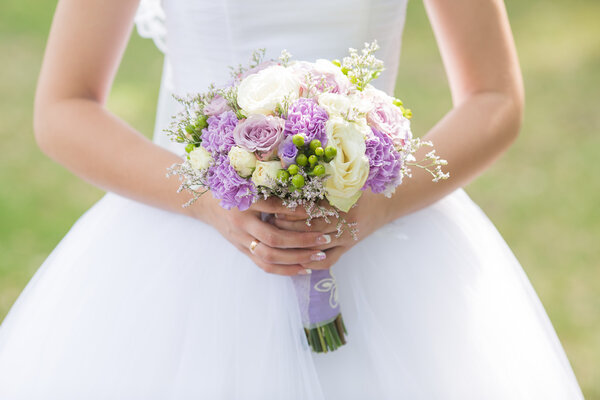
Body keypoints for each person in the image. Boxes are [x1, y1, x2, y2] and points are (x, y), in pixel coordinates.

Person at [0, 0, 585, 398]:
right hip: (181, 249)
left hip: (385, 243)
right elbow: (63, 107)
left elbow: (493, 96)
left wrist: (379, 203)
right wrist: (206, 198)